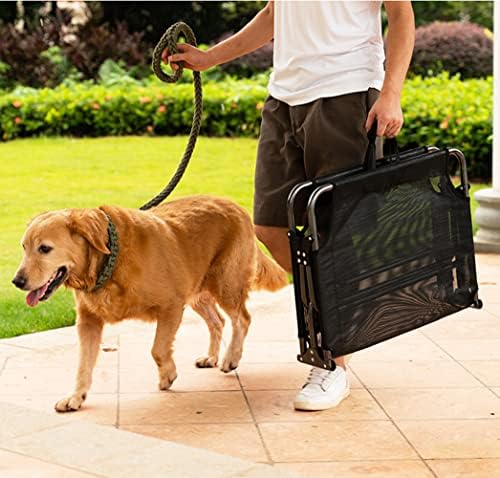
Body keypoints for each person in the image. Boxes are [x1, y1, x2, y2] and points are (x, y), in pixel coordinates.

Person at [163, 1, 415, 411]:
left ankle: (332, 360)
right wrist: (209, 58)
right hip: (285, 96)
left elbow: (401, 16)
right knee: (269, 224)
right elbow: (273, 15)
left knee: (334, 230)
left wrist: (390, 94)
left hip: (346, 91)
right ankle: (338, 315)